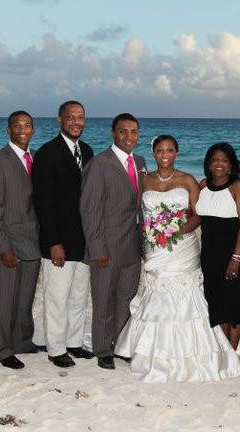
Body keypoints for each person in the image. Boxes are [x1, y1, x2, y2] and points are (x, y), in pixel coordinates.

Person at [115, 135, 240, 382]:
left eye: (170, 150)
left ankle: (194, 354)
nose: (165, 154)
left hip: (182, 247)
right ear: (153, 153)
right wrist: (152, 233)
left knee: (186, 298)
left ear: (176, 153)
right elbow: (137, 213)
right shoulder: (144, 179)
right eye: (160, 150)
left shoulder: (187, 179)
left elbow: (197, 214)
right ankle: (153, 354)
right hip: (154, 247)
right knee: (157, 294)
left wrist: (174, 232)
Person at [32, 101, 95, 368]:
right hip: (58, 241)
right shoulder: (47, 153)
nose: (76, 122)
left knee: (79, 296)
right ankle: (56, 348)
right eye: (71, 117)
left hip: (83, 240)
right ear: (59, 119)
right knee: (56, 297)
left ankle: (73, 342)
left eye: (80, 117)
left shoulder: (88, 151)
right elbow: (43, 204)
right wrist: (54, 242)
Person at [80, 113, 146, 370]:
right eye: (123, 132)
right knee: (103, 300)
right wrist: (97, 249)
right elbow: (90, 211)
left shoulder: (140, 162)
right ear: (113, 135)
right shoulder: (99, 164)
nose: (129, 137)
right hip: (105, 247)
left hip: (132, 246)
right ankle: (102, 348)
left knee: (126, 299)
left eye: (134, 132)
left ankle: (120, 344)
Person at [0, 111, 42, 370]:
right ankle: (4, 349)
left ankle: (22, 341)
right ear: (8, 130)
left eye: (27, 125)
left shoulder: (37, 158)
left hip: (33, 242)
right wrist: (1, 247)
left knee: (24, 299)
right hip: (8, 243)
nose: (22, 129)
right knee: (4, 300)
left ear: (33, 129)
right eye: (17, 125)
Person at [196, 142, 240, 350]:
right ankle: (223, 350)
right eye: (214, 160)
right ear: (208, 164)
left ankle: (231, 353)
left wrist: (236, 258)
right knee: (217, 303)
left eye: (224, 160)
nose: (218, 164)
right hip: (210, 254)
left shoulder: (237, 186)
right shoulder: (202, 185)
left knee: (234, 306)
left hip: (233, 253)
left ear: (231, 165)